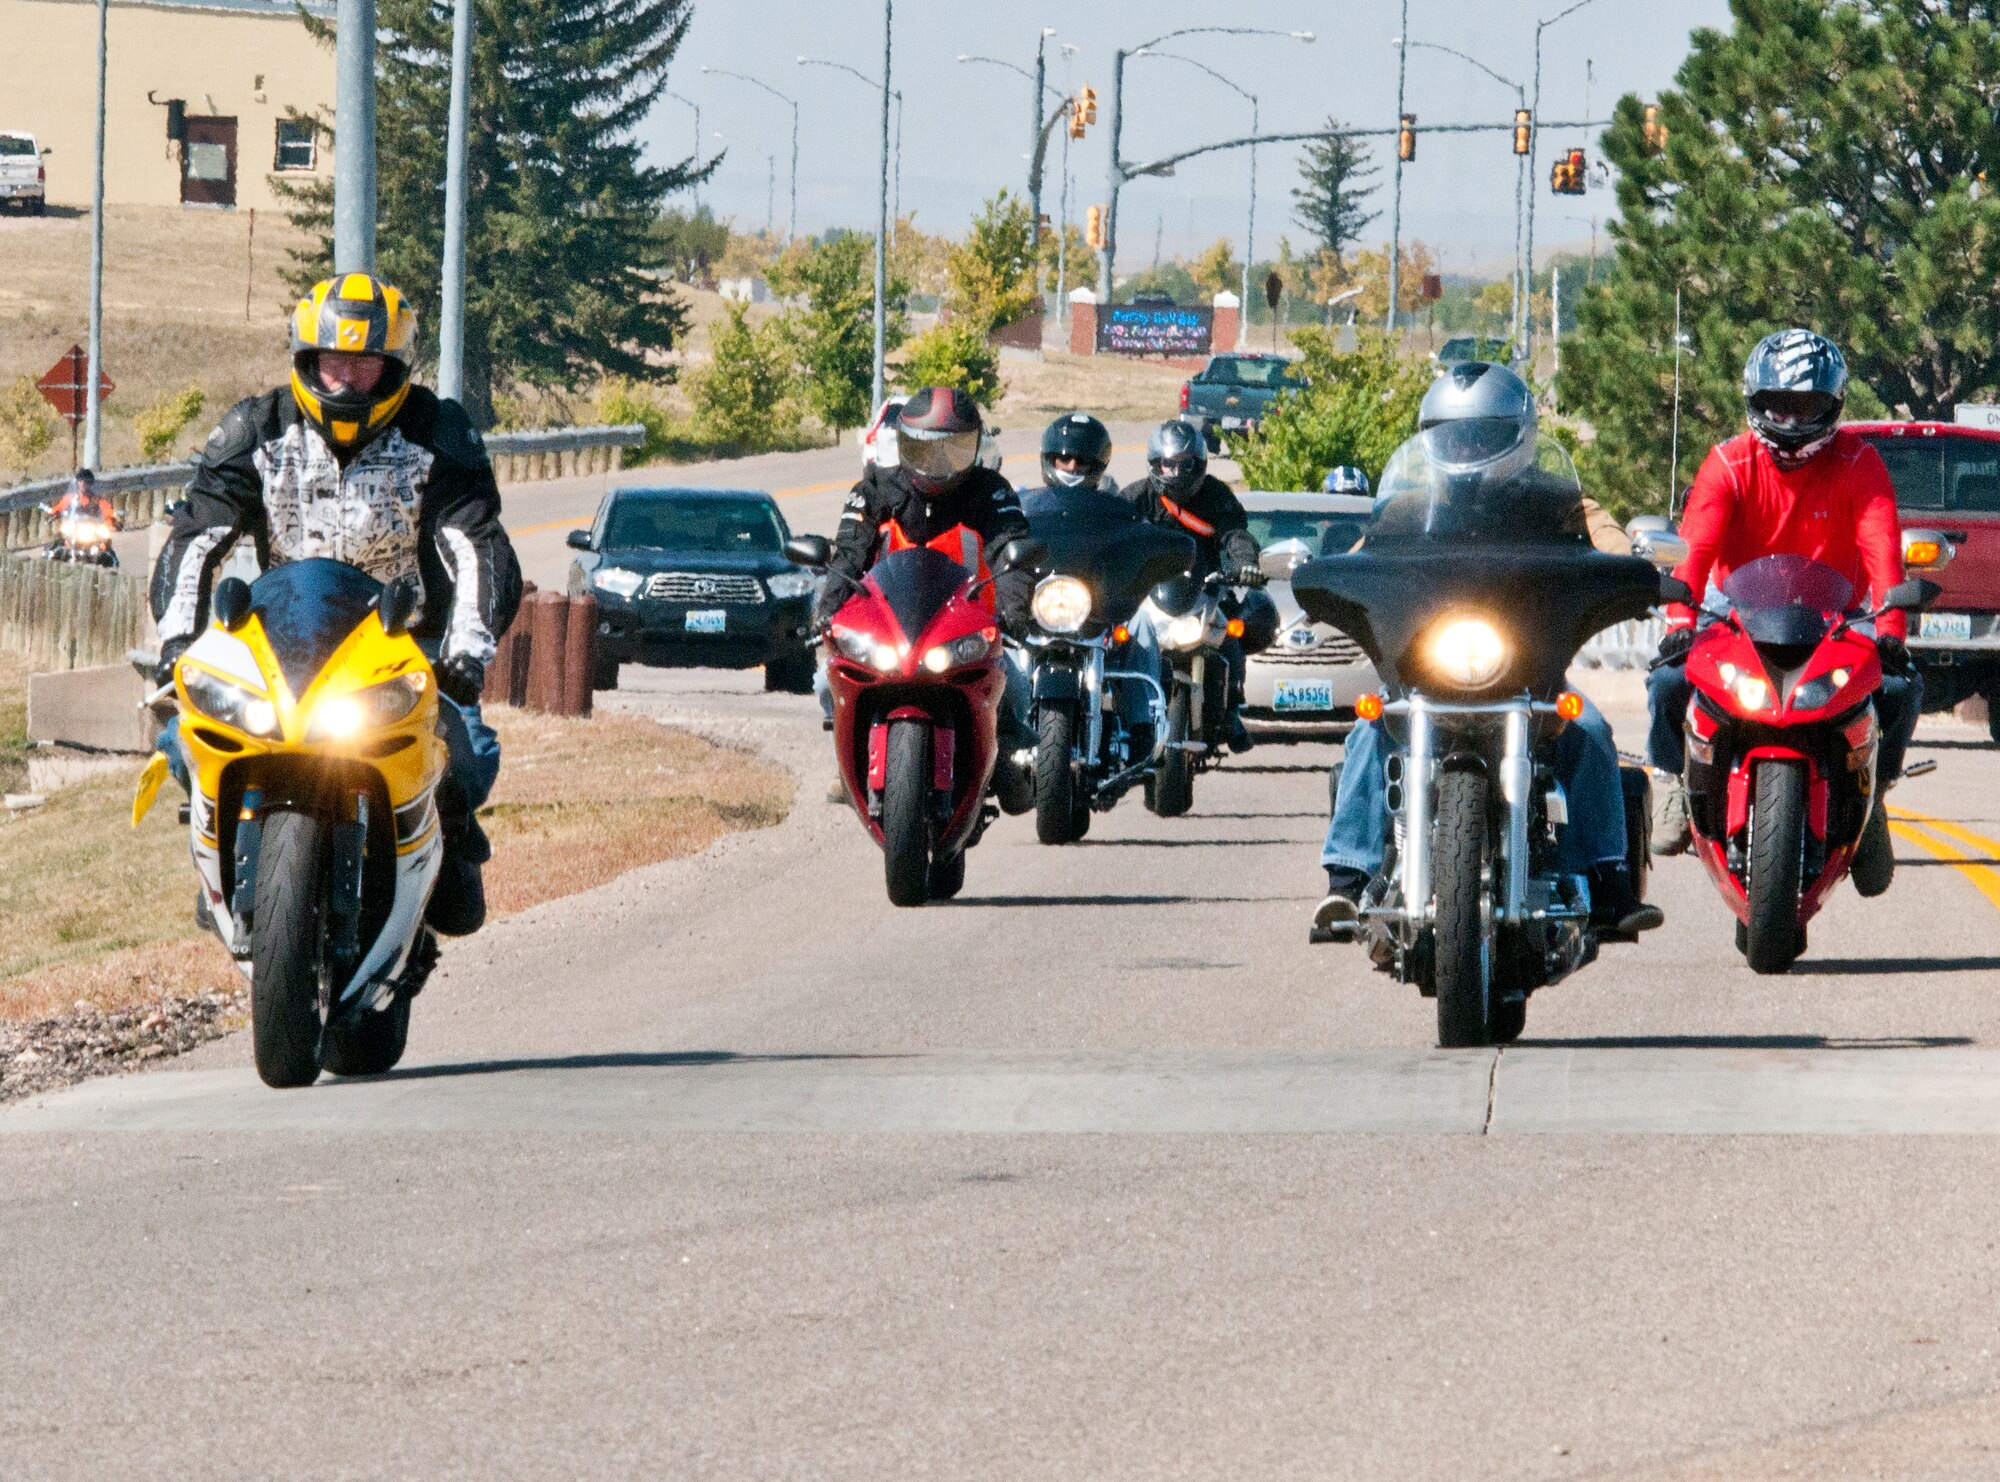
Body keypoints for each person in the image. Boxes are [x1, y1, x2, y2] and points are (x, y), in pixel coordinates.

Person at [150, 272, 520, 937]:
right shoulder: (254, 428)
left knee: (465, 759)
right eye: (335, 361)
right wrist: (176, 643)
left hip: (406, 644)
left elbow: (476, 546)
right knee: (183, 737)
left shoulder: (439, 434)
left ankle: (453, 846)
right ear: (306, 360)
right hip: (282, 638)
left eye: (366, 362)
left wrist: (467, 649)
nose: (349, 378)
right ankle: (231, 855)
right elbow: (196, 533)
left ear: (395, 367)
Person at [1311, 361, 1663, 943]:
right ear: (1432, 437)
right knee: (1370, 729)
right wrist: (1323, 578)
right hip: (1426, 675)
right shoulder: (1407, 508)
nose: (1468, 445)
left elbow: (1612, 546)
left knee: (1592, 732)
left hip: (1529, 676)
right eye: (1456, 433)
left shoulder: (1560, 505)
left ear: (1519, 434)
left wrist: (1635, 572)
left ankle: (1608, 883)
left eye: (1483, 433)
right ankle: (1346, 881)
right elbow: (1359, 557)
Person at [1647, 329, 1916, 892]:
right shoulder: (1727, 462)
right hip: (1736, 607)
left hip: (1836, 611)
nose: (1791, 421)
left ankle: (1873, 789)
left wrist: (1891, 629)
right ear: (1754, 400)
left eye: (1807, 406)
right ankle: (1677, 778)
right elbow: (1694, 550)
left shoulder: (1860, 463)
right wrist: (1679, 619)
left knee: (1899, 688)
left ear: (1834, 405)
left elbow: (1882, 551)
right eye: (1779, 404)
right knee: (1668, 682)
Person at [814, 385, 1038, 811]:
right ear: (903, 445)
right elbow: (848, 552)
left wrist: (1013, 610)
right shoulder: (875, 489)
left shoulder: (991, 492)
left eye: (952, 450)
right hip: (886, 622)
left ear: (974, 447)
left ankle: (1006, 755)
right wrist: (827, 612)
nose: (938, 465)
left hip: (965, 620)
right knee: (824, 678)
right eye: (925, 449)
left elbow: (1012, 551)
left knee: (1014, 684)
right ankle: (848, 761)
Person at [1123, 418, 1266, 752]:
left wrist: (1245, 564)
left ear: (1200, 464)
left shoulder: (1217, 496)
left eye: (1185, 465)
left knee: (1232, 634)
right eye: (1168, 464)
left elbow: (1235, 535)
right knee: (1118, 640)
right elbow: (1112, 536)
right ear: (1154, 464)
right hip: (1149, 593)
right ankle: (1118, 712)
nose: (1176, 473)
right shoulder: (1134, 497)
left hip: (1206, 587)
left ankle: (1231, 710)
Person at [1041, 410, 1118, 493]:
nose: (1072, 467)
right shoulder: (1033, 502)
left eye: (1083, 461)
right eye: (1065, 458)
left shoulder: (1108, 499)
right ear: (1050, 460)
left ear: (1096, 465)